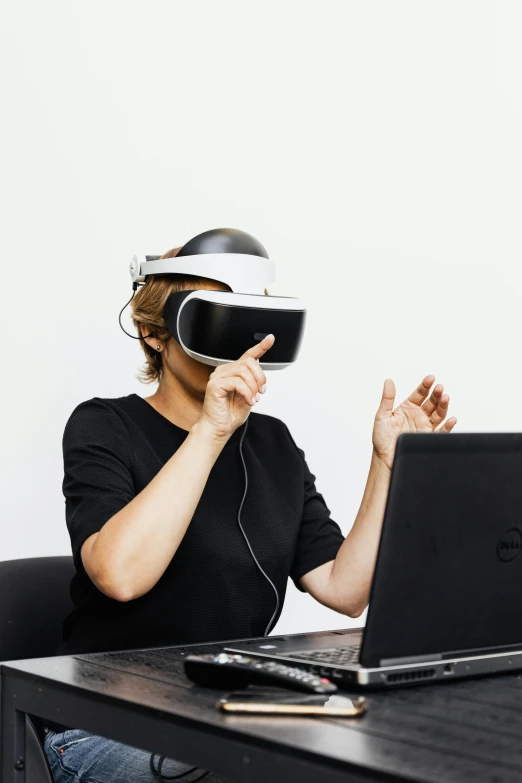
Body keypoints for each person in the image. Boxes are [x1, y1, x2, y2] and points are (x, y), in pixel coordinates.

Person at [44, 242, 456, 783]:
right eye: (218, 319)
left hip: (225, 714)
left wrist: (386, 464)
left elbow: (345, 589)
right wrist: (212, 430)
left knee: (383, 752)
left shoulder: (273, 443)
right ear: (156, 333)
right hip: (105, 726)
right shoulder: (104, 426)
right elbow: (119, 576)